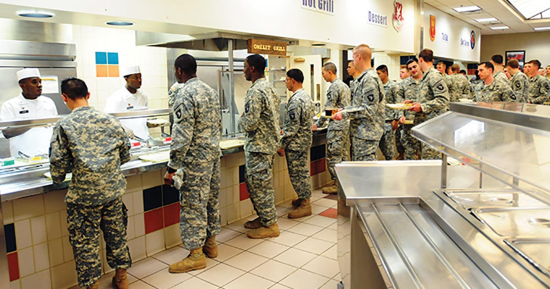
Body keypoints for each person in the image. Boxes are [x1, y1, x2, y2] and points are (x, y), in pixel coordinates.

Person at [49, 78, 131, 289]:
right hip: (112, 192)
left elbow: (58, 165)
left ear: (64, 98)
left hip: (83, 199)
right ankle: (122, 278)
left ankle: (92, 285)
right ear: (88, 95)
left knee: (85, 244)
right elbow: (125, 154)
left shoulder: (64, 125)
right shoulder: (110, 120)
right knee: (117, 235)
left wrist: (59, 177)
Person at [162, 54, 221, 273]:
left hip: (195, 160)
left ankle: (196, 254)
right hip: (213, 156)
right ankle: (211, 244)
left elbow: (182, 133)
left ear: (179, 70)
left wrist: (172, 167)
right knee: (210, 200)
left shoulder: (184, 93)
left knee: (193, 204)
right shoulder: (210, 91)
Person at [238, 54, 281, 239]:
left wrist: (242, 119)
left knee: (260, 186)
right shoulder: (269, 87)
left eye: (245, 66)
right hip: (267, 145)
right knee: (258, 184)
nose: (244, 70)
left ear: (253, 69)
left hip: (258, 147)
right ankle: (265, 218)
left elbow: (250, 123)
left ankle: (271, 225)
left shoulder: (255, 91)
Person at [333, 44, 385, 161]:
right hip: (361, 133)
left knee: (366, 172)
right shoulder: (363, 78)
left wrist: (344, 114)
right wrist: (346, 110)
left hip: (367, 134)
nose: (352, 62)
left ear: (359, 57)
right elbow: (360, 105)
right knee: (361, 171)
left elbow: (369, 109)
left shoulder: (369, 79)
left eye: (353, 57)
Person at [277, 69, 314, 218]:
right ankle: (303, 198)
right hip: (303, 140)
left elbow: (292, 127)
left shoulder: (296, 100)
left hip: (295, 143)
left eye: (286, 80)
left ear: (293, 80)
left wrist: (282, 145)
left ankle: (305, 203)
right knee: (301, 171)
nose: (285, 83)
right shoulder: (305, 96)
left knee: (297, 173)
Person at [1, 68, 58, 157]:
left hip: (48, 154)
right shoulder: (10, 105)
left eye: (40, 82)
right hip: (23, 157)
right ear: (22, 85)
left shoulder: (48, 102)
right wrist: (33, 123)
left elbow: (56, 128)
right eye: (34, 82)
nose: (39, 85)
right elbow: (7, 133)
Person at [406, 49, 450, 160]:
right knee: (423, 158)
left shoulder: (434, 76)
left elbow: (443, 99)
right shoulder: (426, 76)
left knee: (430, 159)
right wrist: (414, 103)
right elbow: (428, 98)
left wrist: (422, 107)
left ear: (420, 60)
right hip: (425, 125)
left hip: (433, 126)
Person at [314, 62, 351, 194]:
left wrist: (318, 124)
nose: (323, 76)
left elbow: (329, 109)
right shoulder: (344, 86)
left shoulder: (334, 87)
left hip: (336, 126)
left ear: (330, 72)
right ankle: (344, 182)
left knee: (333, 155)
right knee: (343, 155)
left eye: (323, 73)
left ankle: (336, 183)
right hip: (345, 125)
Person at [104, 65, 150, 140]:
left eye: (140, 77)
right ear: (127, 79)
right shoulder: (116, 98)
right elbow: (108, 121)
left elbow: (144, 118)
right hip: (127, 140)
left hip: (144, 138)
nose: (139, 80)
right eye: (136, 78)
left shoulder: (143, 96)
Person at [398, 58, 422, 160]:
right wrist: (400, 115)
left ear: (420, 65)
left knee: (425, 154)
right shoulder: (404, 84)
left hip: (424, 123)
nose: (413, 69)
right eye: (410, 68)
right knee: (409, 153)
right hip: (409, 124)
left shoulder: (427, 81)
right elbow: (399, 102)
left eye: (414, 66)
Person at [376, 65, 399, 161]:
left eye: (379, 74)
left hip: (388, 121)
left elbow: (398, 103)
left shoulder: (393, 86)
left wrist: (396, 119)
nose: (377, 76)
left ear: (385, 73)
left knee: (389, 151)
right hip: (378, 122)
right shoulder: (377, 87)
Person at [395, 64, 410, 160]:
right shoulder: (401, 85)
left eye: (403, 72)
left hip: (414, 119)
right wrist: (399, 116)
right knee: (400, 140)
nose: (401, 74)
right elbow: (399, 102)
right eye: (400, 72)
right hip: (403, 119)